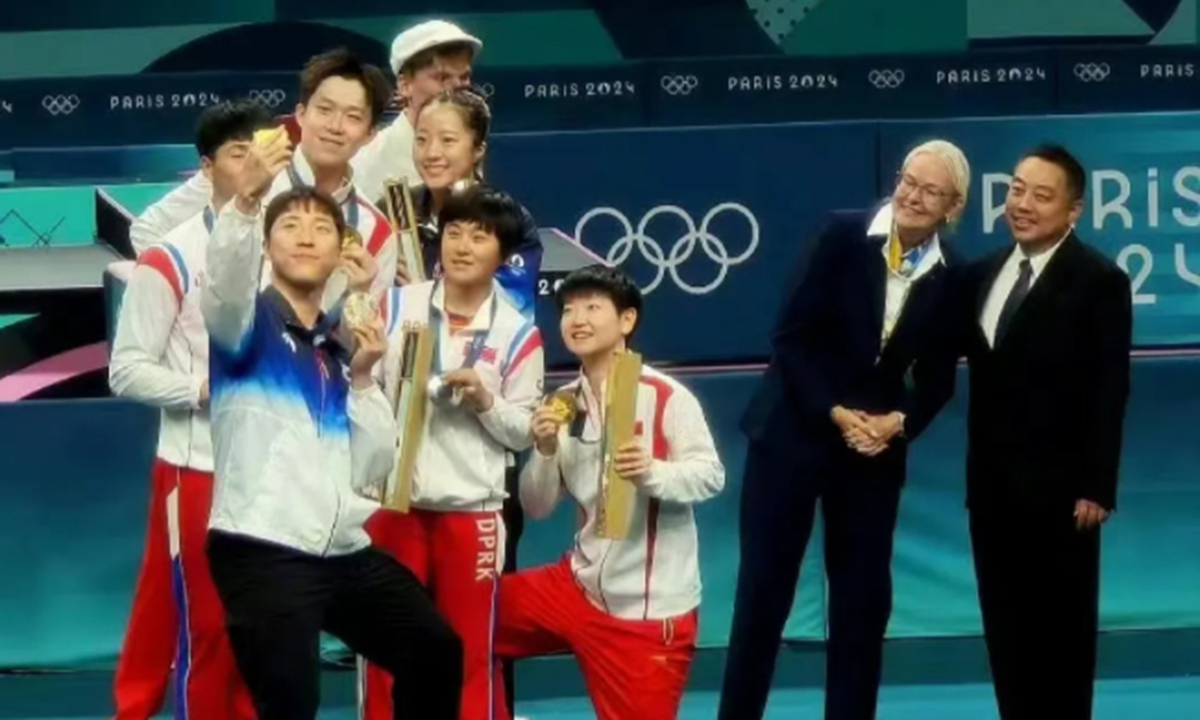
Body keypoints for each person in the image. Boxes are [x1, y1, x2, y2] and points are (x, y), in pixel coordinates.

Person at [719, 140, 971, 720]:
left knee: (862, 601)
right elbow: (792, 336)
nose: (912, 195)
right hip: (792, 433)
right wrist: (833, 410)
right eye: (909, 181)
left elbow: (937, 379)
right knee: (764, 592)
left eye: (930, 191)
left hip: (871, 450)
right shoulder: (840, 235)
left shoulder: (953, 274)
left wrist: (897, 422)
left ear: (952, 206)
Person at [200, 163, 463, 719]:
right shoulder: (244, 327)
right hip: (263, 548)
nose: (305, 235)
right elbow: (224, 282)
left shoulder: (337, 347)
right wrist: (244, 206)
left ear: (338, 252)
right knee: (292, 705)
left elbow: (373, 463)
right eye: (289, 225)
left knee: (435, 650)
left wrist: (365, 376)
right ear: (267, 247)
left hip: (344, 553)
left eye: (321, 228)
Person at [494, 264, 725, 720]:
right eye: (568, 309)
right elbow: (537, 507)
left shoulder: (666, 396)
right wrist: (542, 449)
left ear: (626, 321)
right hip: (574, 586)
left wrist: (652, 472)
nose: (577, 318)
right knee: (462, 624)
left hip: (644, 614)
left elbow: (710, 475)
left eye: (593, 307)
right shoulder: (562, 403)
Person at [107, 99, 269, 720]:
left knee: (258, 625)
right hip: (196, 468)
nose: (254, 164)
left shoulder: (291, 241)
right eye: (237, 154)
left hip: (271, 471)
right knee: (206, 627)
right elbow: (127, 370)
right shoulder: (170, 257)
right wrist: (200, 391)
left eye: (261, 152)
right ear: (206, 169)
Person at [361, 186, 544, 720]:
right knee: (383, 652)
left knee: (469, 654)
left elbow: (521, 433)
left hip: (472, 513)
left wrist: (486, 400)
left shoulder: (518, 335)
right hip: (395, 505)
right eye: (455, 233)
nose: (462, 246)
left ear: (502, 253)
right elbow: (360, 384)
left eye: (479, 236)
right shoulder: (396, 304)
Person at [963, 145, 1131, 720]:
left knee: (1060, 643)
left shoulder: (1099, 279)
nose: (1022, 204)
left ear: (1074, 209)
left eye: (1041, 195)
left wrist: (1097, 486)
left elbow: (1110, 388)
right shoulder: (982, 272)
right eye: (1015, 189)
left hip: (1063, 498)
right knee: (1006, 639)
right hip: (989, 495)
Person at [129, 48, 396, 306]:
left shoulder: (376, 231)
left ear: (370, 133)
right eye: (325, 110)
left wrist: (357, 297)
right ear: (301, 115)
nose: (335, 127)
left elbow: (363, 337)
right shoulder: (243, 174)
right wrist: (207, 305)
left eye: (352, 117)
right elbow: (147, 232)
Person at [351, 19, 481, 202]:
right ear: (405, 85)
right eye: (442, 78)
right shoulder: (369, 165)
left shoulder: (470, 146)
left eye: (464, 76)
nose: (457, 87)